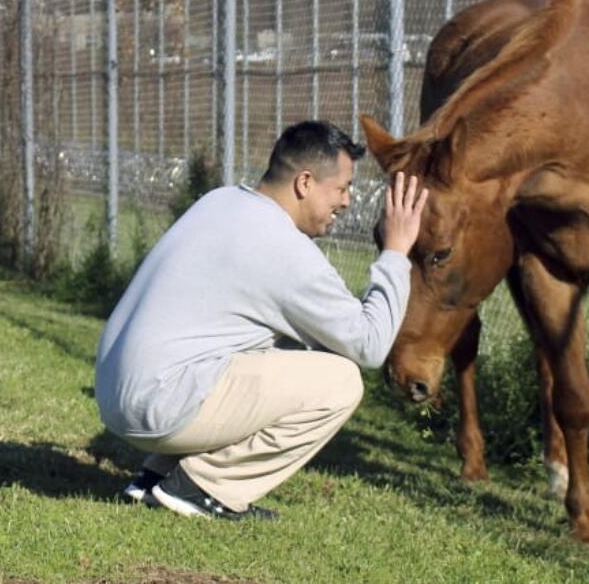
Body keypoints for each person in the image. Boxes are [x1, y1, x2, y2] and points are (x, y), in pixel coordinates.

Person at [94, 120, 428, 520]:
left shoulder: (220, 201)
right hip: (157, 404)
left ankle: (156, 477)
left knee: (285, 345)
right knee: (340, 381)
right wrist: (396, 252)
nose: (348, 201)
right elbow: (370, 346)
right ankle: (201, 488)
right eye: (342, 188)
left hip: (118, 391)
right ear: (305, 182)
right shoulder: (283, 248)